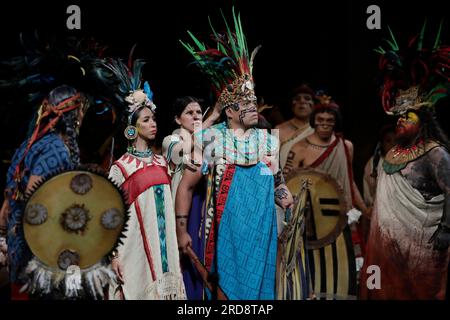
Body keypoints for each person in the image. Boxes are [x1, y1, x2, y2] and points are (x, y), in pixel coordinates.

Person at [176, 8, 293, 300]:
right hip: (226, 235)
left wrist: (286, 198)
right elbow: (187, 186)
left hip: (262, 235)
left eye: (254, 101)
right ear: (230, 111)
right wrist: (181, 229)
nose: (253, 106)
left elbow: (277, 182)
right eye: (245, 102)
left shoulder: (269, 141)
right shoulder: (212, 138)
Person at [360, 23, 450, 299]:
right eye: (398, 115)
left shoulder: (436, 154)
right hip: (386, 250)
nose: (400, 119)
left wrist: (446, 228)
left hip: (423, 249)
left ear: (422, 122)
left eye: (408, 115)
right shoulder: (390, 154)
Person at [0, 85, 89, 299]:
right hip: (39, 259)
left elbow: (7, 203)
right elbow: (34, 197)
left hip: (21, 253)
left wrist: (3, 237)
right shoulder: (56, 149)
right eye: (82, 111)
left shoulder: (30, 145)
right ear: (74, 115)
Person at [107, 58, 185, 300]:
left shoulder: (164, 162)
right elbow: (111, 215)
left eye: (153, 119)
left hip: (167, 249)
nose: (153, 124)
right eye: (145, 120)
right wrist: (114, 256)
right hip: (134, 250)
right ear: (132, 128)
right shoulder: (121, 167)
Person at [283, 95, 369, 299]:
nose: (324, 125)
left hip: (341, 216)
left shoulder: (345, 146)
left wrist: (365, 209)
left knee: (342, 271)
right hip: (311, 220)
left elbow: (350, 180)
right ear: (314, 121)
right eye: (320, 120)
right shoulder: (300, 148)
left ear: (335, 123)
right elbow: (287, 183)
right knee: (313, 268)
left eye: (329, 121)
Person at [162, 96, 220, 300]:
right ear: (178, 119)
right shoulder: (171, 141)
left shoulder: (208, 141)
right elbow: (184, 151)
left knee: (204, 257)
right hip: (182, 206)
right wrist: (211, 118)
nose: (195, 116)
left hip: (204, 205)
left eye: (198, 112)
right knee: (185, 261)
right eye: (189, 112)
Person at [275, 85, 315, 171]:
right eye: (297, 99)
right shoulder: (278, 129)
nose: (302, 101)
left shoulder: (318, 130)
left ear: (314, 105)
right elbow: (268, 163)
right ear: (292, 105)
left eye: (307, 98)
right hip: (284, 180)